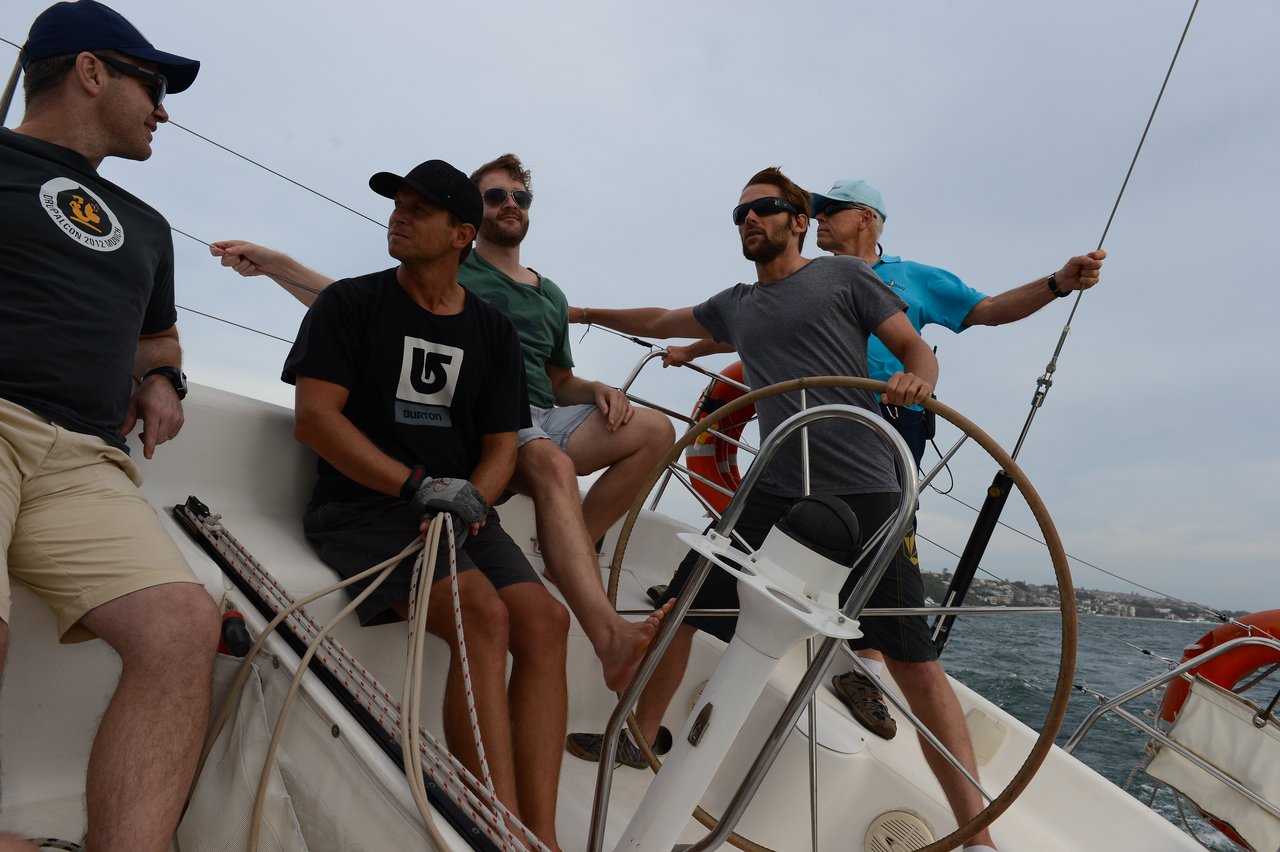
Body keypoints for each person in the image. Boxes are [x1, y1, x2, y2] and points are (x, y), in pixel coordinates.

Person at [567, 167, 1003, 851]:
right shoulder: (737, 305)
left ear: (798, 222)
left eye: (765, 208)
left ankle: (978, 837)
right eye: (740, 212)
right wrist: (586, 314)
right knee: (683, 605)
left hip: (867, 487)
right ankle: (639, 735)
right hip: (773, 487)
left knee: (914, 662)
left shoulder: (846, 278)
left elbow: (914, 345)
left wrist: (919, 378)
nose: (750, 219)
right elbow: (659, 319)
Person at [666, 178, 1105, 747]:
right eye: (814, 212)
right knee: (771, 521)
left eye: (832, 210)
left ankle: (866, 668)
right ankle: (710, 603)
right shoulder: (801, 280)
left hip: (890, 423)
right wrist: (691, 349)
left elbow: (987, 310)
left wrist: (1057, 282)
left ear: (868, 217)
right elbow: (749, 328)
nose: (818, 219)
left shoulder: (910, 277)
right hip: (804, 428)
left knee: (884, 553)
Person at [212, 153, 674, 693]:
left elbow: (559, 378)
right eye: (495, 196)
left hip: (546, 413)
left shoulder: (550, 295)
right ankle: (606, 631)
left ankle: (570, 554)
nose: (510, 204)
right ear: (468, 224)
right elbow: (361, 308)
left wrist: (595, 390)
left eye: (520, 197)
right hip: (494, 420)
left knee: (656, 430)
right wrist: (277, 265)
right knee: (549, 462)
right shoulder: (450, 266)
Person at [283, 158, 567, 850]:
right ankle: (498, 831)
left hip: (459, 509)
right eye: (397, 205)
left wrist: (470, 499)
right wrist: (417, 488)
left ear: (461, 234)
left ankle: (544, 836)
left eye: (418, 209)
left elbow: (502, 446)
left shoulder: (492, 331)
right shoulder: (350, 304)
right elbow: (316, 420)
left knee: (546, 621)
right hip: (363, 506)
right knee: (481, 612)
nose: (398, 218)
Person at [0, 3, 220, 851]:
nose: (163, 111)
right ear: (91, 72)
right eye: (153, 86)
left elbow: (157, 338)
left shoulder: (149, 227)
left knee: (182, 628)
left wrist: (162, 377)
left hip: (87, 458)